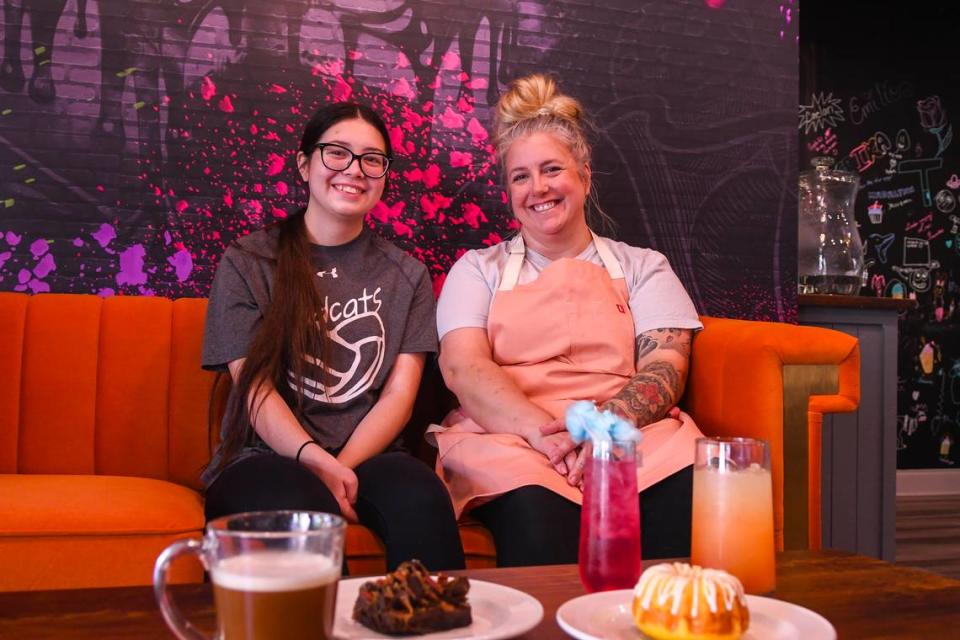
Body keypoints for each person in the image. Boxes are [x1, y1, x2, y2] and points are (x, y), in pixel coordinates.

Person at [431, 74, 704, 567]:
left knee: (684, 507)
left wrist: (599, 432)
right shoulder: (477, 270)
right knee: (538, 521)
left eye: (552, 169)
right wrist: (551, 436)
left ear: (584, 174)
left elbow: (666, 367)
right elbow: (464, 369)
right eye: (520, 176)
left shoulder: (644, 267)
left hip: (627, 432)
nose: (538, 188)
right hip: (513, 437)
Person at [201, 101, 465, 571]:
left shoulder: (408, 276)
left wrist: (341, 465)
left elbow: (399, 397)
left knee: (422, 497)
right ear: (304, 164)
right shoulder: (247, 261)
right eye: (337, 153)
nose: (355, 170)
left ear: (384, 175)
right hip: (263, 458)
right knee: (302, 514)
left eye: (372, 159)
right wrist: (312, 460)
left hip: (372, 455)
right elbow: (254, 390)